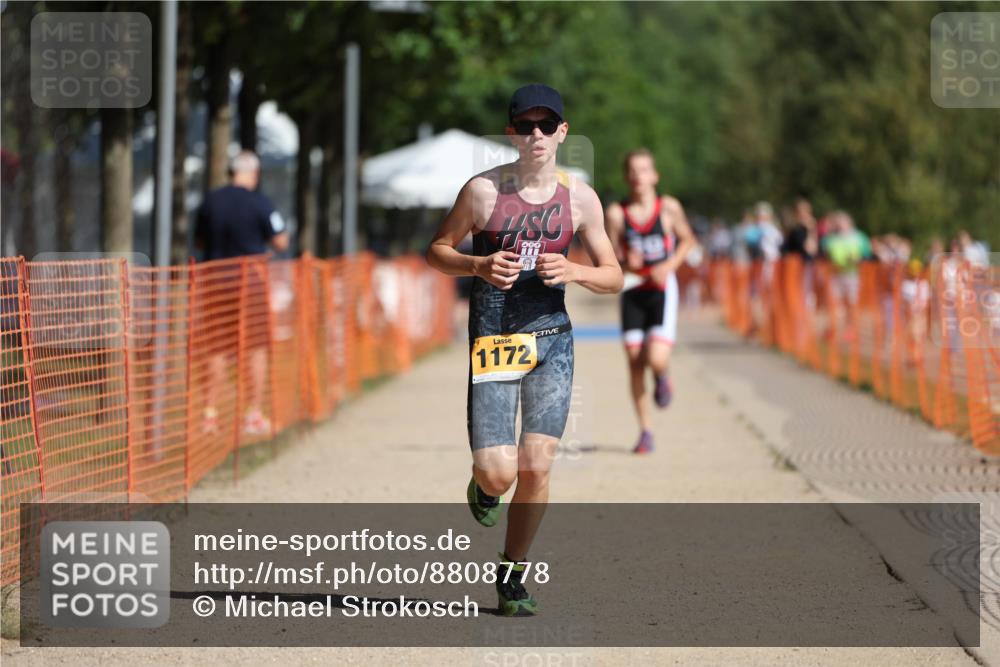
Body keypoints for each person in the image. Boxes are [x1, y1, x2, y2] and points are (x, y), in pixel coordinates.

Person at [426, 84, 622, 616]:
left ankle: (512, 573)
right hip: (494, 341)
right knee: (499, 472)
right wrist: (476, 265)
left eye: (547, 124)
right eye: (525, 125)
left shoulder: (579, 198)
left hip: (552, 339)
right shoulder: (482, 193)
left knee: (537, 464)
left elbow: (615, 275)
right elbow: (437, 250)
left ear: (562, 131)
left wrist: (577, 270)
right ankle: (484, 487)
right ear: (512, 132)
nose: (536, 134)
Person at [605, 149, 695, 454]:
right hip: (633, 289)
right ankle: (645, 431)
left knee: (655, 357)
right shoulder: (617, 214)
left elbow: (688, 240)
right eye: (632, 170)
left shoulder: (668, 208)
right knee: (634, 361)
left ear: (654, 175)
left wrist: (668, 266)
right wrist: (623, 259)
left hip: (661, 289)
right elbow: (608, 255)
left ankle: (662, 375)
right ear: (625, 176)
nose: (637, 176)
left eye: (643, 170)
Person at [194, 150, 289, 436]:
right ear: (255, 174)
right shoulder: (260, 202)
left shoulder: (210, 200)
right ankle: (253, 414)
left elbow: (199, 240)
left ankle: (209, 414)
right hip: (250, 282)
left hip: (215, 282)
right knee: (256, 348)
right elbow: (281, 241)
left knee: (217, 348)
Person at [821, 211, 870, 342]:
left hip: (852, 275)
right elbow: (824, 254)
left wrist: (857, 259)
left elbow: (867, 255)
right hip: (835, 274)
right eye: (837, 223)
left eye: (841, 222)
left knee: (851, 303)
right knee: (834, 303)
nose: (839, 225)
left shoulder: (859, 237)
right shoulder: (830, 239)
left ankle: (851, 329)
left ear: (849, 222)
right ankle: (833, 329)